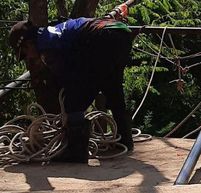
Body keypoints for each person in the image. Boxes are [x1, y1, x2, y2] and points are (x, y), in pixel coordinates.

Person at [8, 17, 137, 163]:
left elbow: (66, 78)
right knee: (112, 86)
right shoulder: (51, 31)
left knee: (75, 96)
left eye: (25, 54)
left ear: (29, 43)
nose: (28, 58)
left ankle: (76, 152)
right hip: (120, 32)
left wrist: (68, 115)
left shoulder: (46, 46)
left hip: (101, 37)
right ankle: (125, 139)